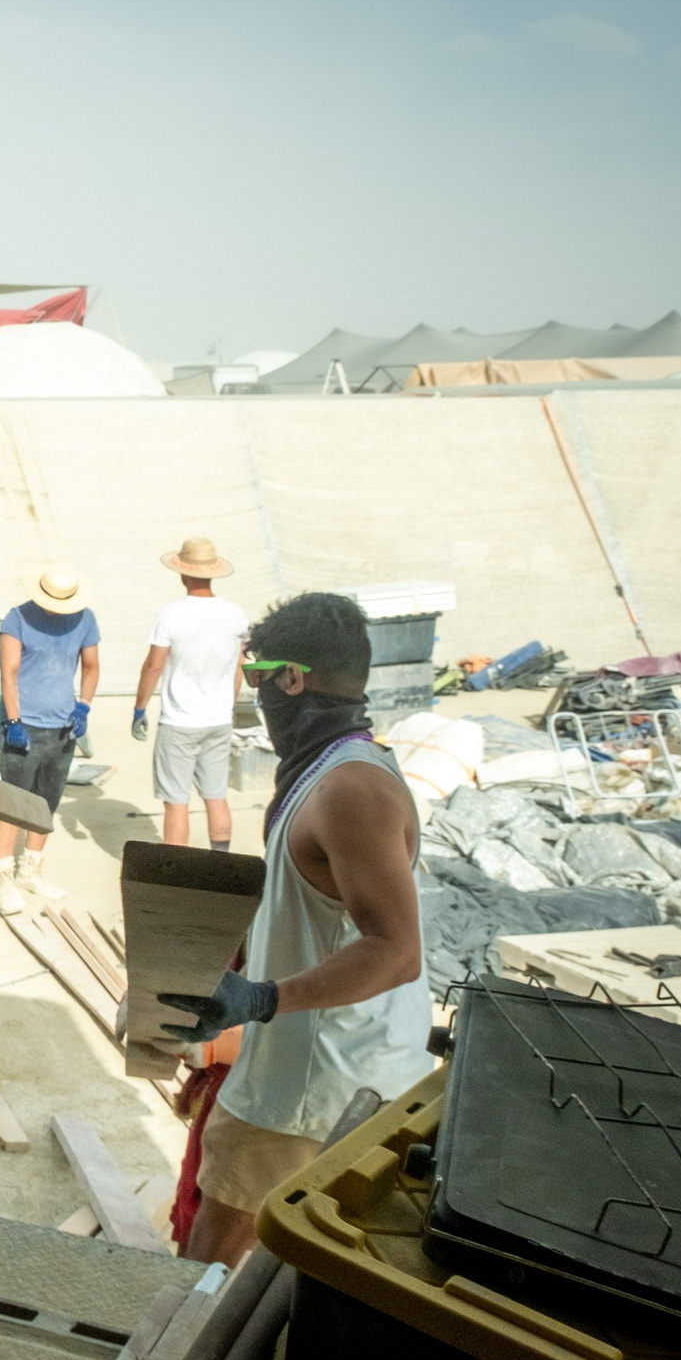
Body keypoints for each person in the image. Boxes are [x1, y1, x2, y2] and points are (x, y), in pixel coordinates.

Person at [158, 593, 430, 1267]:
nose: (250, 692)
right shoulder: (321, 774)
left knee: (210, 1265)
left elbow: (396, 952)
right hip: (312, 1072)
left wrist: (260, 1000)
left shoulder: (352, 790)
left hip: (318, 1085)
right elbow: (302, 907)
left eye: (256, 676)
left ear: (292, 679)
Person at [0, 565, 100, 913]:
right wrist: (14, 720)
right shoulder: (17, 618)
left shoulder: (85, 619)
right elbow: (8, 672)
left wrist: (83, 706)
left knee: (45, 801)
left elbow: (92, 666)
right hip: (23, 726)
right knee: (12, 802)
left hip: (62, 726)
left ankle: (30, 870)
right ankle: (3, 877)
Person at [133, 536, 247, 852]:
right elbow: (239, 665)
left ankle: (177, 870)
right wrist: (230, 703)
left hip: (180, 721)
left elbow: (154, 666)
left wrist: (139, 708)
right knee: (216, 796)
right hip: (219, 719)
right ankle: (221, 863)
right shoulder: (236, 615)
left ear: (182, 573)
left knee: (176, 801)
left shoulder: (171, 614)